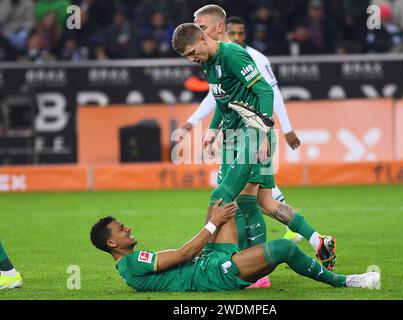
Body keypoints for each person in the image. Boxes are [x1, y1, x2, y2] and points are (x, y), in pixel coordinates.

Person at [172, 12, 335, 289]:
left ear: (209, 31)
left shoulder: (234, 55)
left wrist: (262, 134)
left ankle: (258, 274)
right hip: (235, 136)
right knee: (266, 203)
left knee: (240, 200)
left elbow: (266, 92)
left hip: (251, 135)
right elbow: (222, 101)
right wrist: (213, 130)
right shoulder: (209, 63)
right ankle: (317, 240)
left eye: (191, 52)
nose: (191, 59)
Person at [89, 201, 380, 292]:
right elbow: (184, 254)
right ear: (112, 242)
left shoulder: (131, 263)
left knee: (226, 202)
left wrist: (213, 219)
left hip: (208, 261)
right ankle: (345, 282)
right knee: (285, 250)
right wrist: (211, 224)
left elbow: (182, 257)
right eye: (121, 229)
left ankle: (256, 267)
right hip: (213, 275)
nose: (127, 229)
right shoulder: (130, 263)